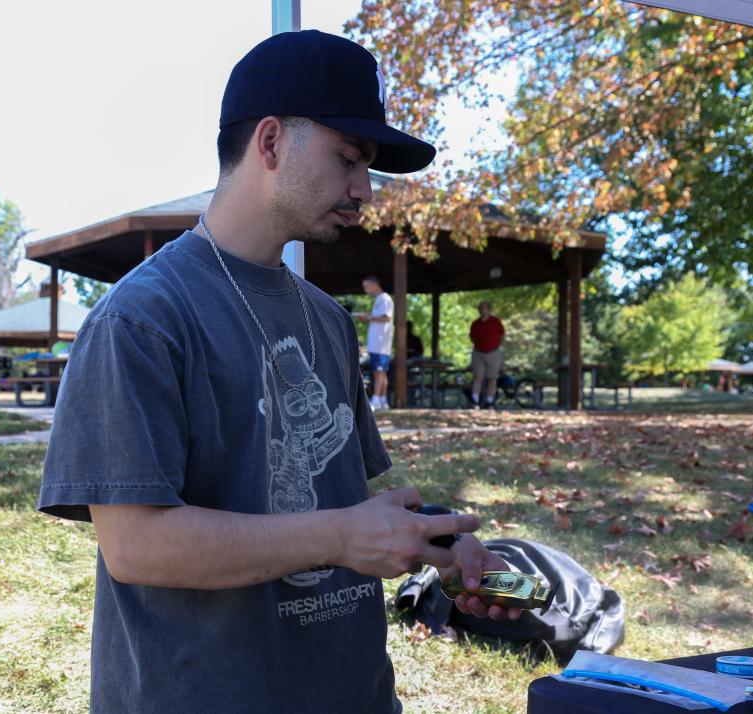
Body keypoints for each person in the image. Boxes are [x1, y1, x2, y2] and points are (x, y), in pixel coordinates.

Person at [37, 30, 529, 713]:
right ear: (269, 143)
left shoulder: (327, 319)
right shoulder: (141, 320)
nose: (365, 188)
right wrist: (340, 536)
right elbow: (136, 546)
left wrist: (443, 546)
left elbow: (343, 503)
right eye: (349, 159)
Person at [355, 275, 394, 410]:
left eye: (366, 286)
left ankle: (376, 400)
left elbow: (386, 318)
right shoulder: (380, 299)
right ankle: (383, 401)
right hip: (378, 343)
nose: (366, 290)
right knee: (381, 372)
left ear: (374, 284)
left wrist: (368, 317)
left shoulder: (384, 298)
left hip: (380, 343)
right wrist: (368, 318)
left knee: (378, 372)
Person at [468, 301, 505, 409]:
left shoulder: (495, 321)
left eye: (484, 308)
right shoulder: (475, 323)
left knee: (492, 378)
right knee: (477, 377)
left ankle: (490, 401)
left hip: (493, 352)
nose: (482, 310)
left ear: (489, 309)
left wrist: (496, 345)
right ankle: (475, 400)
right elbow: (472, 337)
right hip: (478, 353)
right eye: (480, 308)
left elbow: (502, 335)